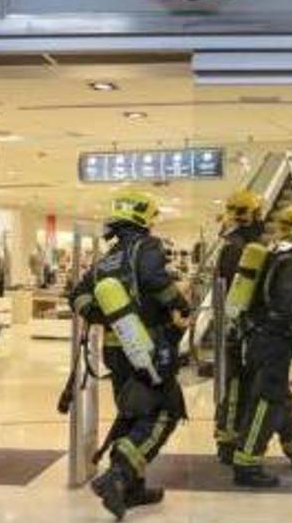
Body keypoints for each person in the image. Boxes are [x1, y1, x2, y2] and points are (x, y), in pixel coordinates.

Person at [68, 190, 191, 520]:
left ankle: (133, 489)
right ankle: (118, 476)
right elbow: (154, 279)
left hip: (115, 350)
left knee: (132, 413)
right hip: (147, 347)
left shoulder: (106, 259)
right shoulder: (146, 247)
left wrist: (102, 316)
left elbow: (77, 296)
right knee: (165, 411)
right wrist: (179, 305)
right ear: (143, 218)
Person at [229, 206, 292, 488]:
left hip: (259, 339)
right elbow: (289, 307)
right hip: (274, 342)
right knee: (267, 401)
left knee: (278, 394)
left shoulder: (273, 255)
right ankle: (247, 462)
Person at [213, 190, 266, 464]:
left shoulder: (236, 243)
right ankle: (227, 441)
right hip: (241, 327)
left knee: (240, 384)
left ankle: (231, 437)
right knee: (235, 385)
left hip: (241, 325)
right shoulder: (240, 247)